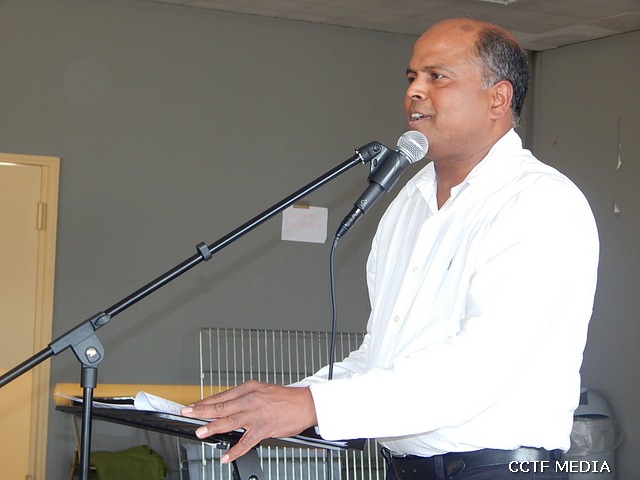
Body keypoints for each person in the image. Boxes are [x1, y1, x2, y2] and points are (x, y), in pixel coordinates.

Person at [181, 18, 599, 479]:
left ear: (497, 98)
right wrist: (274, 405)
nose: (414, 91)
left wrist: (313, 405)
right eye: (412, 77)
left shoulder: (539, 202)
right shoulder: (407, 203)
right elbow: (380, 357)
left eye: (437, 76)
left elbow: (481, 368)